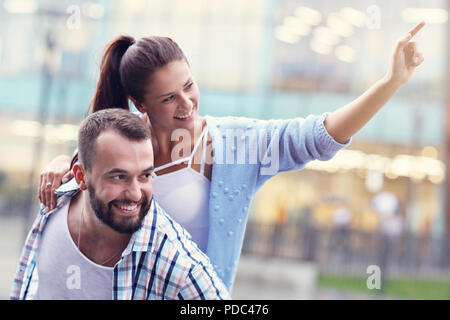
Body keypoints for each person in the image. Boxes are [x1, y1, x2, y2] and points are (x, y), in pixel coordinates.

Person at [38, 22, 425, 290]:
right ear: (140, 104)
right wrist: (61, 165)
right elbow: (79, 196)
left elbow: (317, 136)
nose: (186, 104)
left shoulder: (236, 146)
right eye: (169, 98)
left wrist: (391, 83)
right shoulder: (119, 151)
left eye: (189, 86)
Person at [11, 109, 229, 300]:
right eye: (118, 177)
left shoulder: (177, 262)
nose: (135, 194)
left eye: (145, 175)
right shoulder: (55, 199)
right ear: (81, 177)